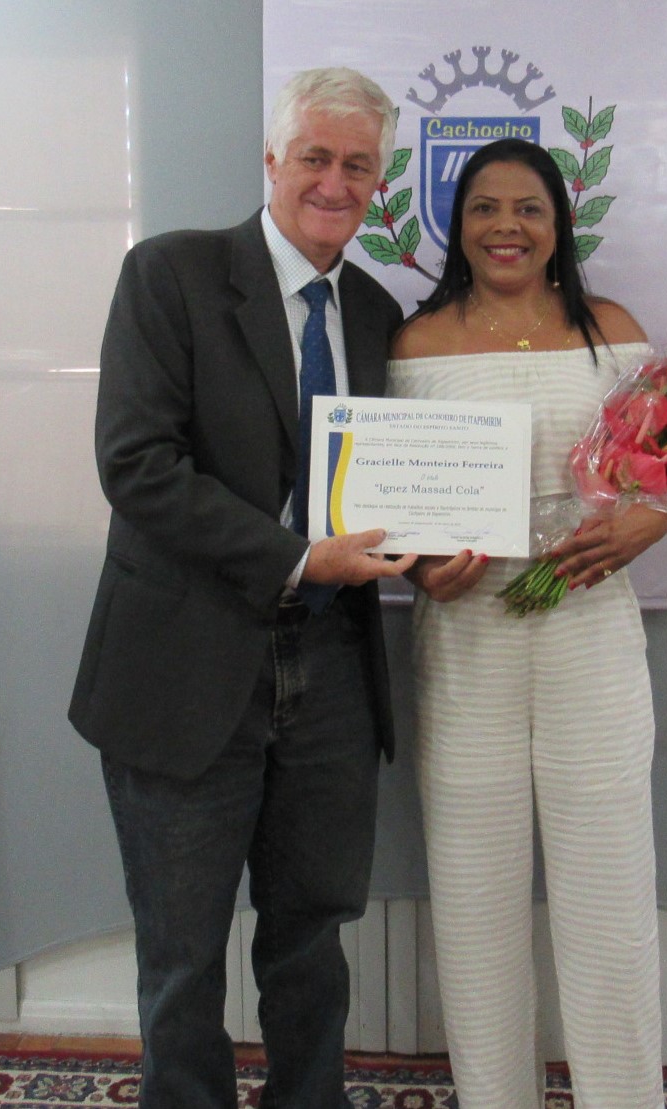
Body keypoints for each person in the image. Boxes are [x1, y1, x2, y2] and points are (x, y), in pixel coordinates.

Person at [69, 67, 415, 1109]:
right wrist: (298, 558)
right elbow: (136, 464)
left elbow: (391, 480)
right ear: (271, 159)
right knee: (181, 956)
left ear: (380, 181)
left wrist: (439, 544)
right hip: (186, 664)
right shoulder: (171, 273)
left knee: (310, 938)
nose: (334, 182)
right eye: (314, 156)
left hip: (331, 670)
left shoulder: (375, 310)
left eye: (358, 164)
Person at [388, 137, 667, 1109]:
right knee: (474, 904)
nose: (504, 226)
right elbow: (392, 496)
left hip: (588, 633)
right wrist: (420, 566)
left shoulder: (611, 330)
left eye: (527, 208)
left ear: (559, 225)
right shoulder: (414, 345)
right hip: (463, 642)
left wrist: (647, 521)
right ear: (455, 224)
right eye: (483, 207)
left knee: (607, 899)